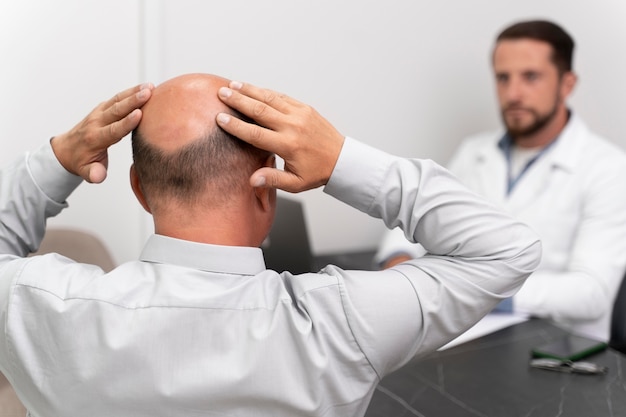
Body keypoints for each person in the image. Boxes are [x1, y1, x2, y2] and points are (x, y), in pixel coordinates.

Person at [0, 73, 540, 417]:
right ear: (271, 188)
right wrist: (340, 160)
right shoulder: (341, 323)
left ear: (140, 191)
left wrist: (57, 160)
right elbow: (506, 250)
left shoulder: (36, 303)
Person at [376, 20, 626, 341]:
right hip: (475, 332)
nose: (513, 94)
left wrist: (471, 290)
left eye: (530, 77)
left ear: (567, 84)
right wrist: (400, 263)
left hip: (561, 347)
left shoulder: (609, 168)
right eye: (502, 78)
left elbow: (591, 293)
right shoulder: (475, 151)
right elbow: (416, 214)